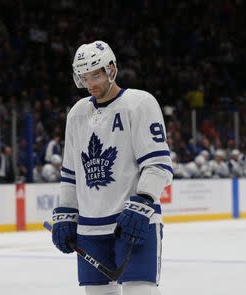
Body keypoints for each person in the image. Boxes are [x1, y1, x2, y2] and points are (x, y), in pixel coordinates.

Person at [51, 41, 172, 295]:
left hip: (132, 222)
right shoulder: (77, 113)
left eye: (96, 74)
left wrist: (144, 202)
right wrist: (66, 212)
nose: (91, 83)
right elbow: (71, 173)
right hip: (89, 229)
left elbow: (158, 164)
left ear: (112, 69)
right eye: (84, 77)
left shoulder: (140, 103)